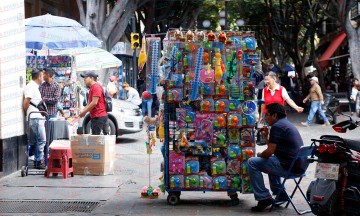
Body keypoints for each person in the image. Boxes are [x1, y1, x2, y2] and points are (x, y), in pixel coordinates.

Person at [248, 103, 305, 212]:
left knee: (252, 162)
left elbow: (269, 152)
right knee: (270, 160)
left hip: (289, 167)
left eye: (267, 115)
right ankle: (281, 194)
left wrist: (260, 155)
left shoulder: (277, 126)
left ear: (274, 115)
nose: (265, 117)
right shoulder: (285, 124)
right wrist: (266, 137)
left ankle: (263, 197)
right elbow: (273, 148)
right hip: (298, 166)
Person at [23, 69, 46, 169]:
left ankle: (32, 156)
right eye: (42, 75)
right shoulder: (31, 86)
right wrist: (26, 113)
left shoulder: (34, 86)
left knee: (36, 140)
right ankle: (38, 161)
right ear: (39, 76)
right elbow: (26, 101)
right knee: (41, 140)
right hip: (35, 117)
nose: (43, 78)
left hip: (37, 117)